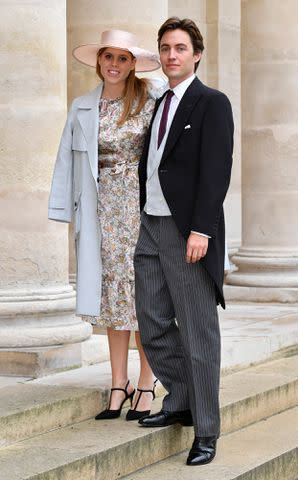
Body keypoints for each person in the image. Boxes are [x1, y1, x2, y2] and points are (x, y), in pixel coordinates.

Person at [48, 29, 163, 421]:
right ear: (98, 61)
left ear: (133, 63)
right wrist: (62, 211)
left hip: (143, 209)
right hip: (100, 211)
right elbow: (66, 160)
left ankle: (147, 382)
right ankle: (118, 384)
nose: (113, 65)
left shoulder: (151, 99)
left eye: (122, 58)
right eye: (108, 57)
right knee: (113, 299)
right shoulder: (83, 106)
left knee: (143, 297)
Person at [134, 17, 234, 465]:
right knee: (152, 322)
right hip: (150, 225)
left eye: (180, 48)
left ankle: (206, 430)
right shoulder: (159, 102)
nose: (171, 55)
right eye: (165, 48)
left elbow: (216, 171)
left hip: (186, 230)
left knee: (198, 333)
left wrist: (202, 230)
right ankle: (180, 399)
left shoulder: (212, 103)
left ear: (196, 54)